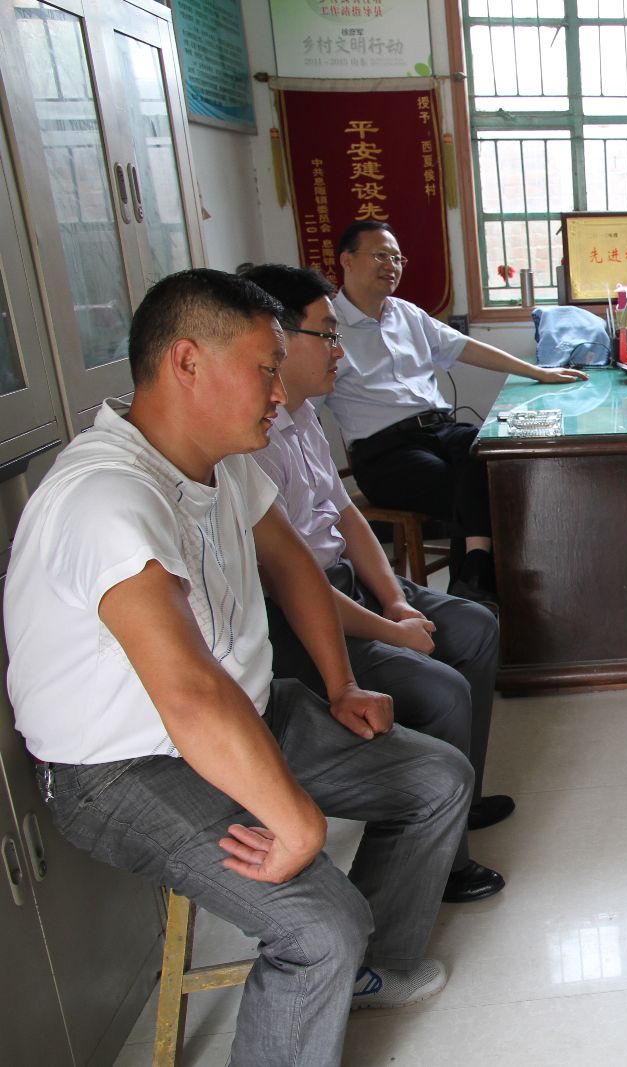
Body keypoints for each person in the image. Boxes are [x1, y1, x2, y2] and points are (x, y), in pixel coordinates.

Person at [3, 269, 474, 1067]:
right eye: (265, 369)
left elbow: (293, 565)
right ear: (187, 362)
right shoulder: (105, 498)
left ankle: (367, 974)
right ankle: (331, 968)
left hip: (243, 712)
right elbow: (188, 693)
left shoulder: (218, 461)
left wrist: (342, 683)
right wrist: (299, 822)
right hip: (127, 767)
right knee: (321, 926)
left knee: (436, 780)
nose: (279, 392)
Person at [240, 263, 512, 904]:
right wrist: (391, 631)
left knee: (474, 625)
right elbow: (292, 584)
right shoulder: (252, 441)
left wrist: (394, 598)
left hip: (350, 588)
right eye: (327, 335)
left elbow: (346, 515)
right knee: (441, 690)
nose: (339, 350)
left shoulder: (303, 417)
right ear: (278, 340)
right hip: (304, 614)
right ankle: (445, 863)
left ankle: (461, 800)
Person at [326, 220, 589, 610]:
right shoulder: (328, 326)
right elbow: (304, 399)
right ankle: (483, 583)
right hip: (384, 453)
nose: (391, 266)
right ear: (347, 260)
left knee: (493, 454)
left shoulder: (407, 314)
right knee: (479, 489)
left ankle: (472, 584)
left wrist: (537, 372)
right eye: (381, 255)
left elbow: (465, 347)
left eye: (397, 258)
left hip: (439, 431)